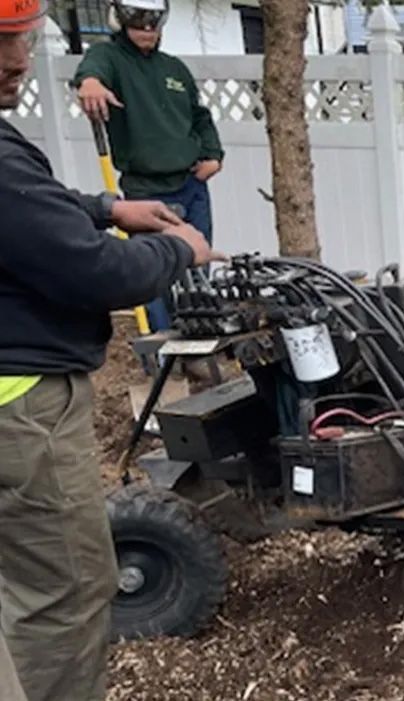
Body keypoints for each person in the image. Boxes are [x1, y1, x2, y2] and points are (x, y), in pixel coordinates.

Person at [0, 2, 221, 700]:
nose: (19, 59)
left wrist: (104, 209)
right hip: (21, 407)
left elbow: (26, 208)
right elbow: (97, 273)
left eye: (25, 39)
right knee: (65, 589)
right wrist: (173, 248)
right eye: (5, 42)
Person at [74, 0, 223, 330]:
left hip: (191, 184)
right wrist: (90, 83)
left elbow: (200, 117)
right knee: (151, 271)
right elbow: (92, 71)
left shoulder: (173, 69)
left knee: (199, 265)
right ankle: (162, 350)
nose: (147, 28)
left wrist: (214, 155)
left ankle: (199, 337)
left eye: (154, 20)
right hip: (146, 189)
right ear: (120, 19)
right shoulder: (109, 58)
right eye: (138, 19)